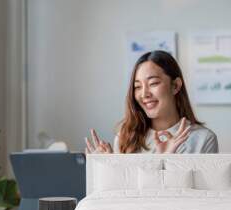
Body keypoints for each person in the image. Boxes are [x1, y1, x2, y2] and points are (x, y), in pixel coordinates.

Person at [85, 50, 218, 154]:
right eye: (137, 87)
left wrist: (167, 161)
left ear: (176, 86)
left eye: (153, 83)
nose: (144, 94)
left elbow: (202, 189)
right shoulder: (125, 138)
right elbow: (122, 188)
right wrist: (106, 169)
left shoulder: (203, 139)